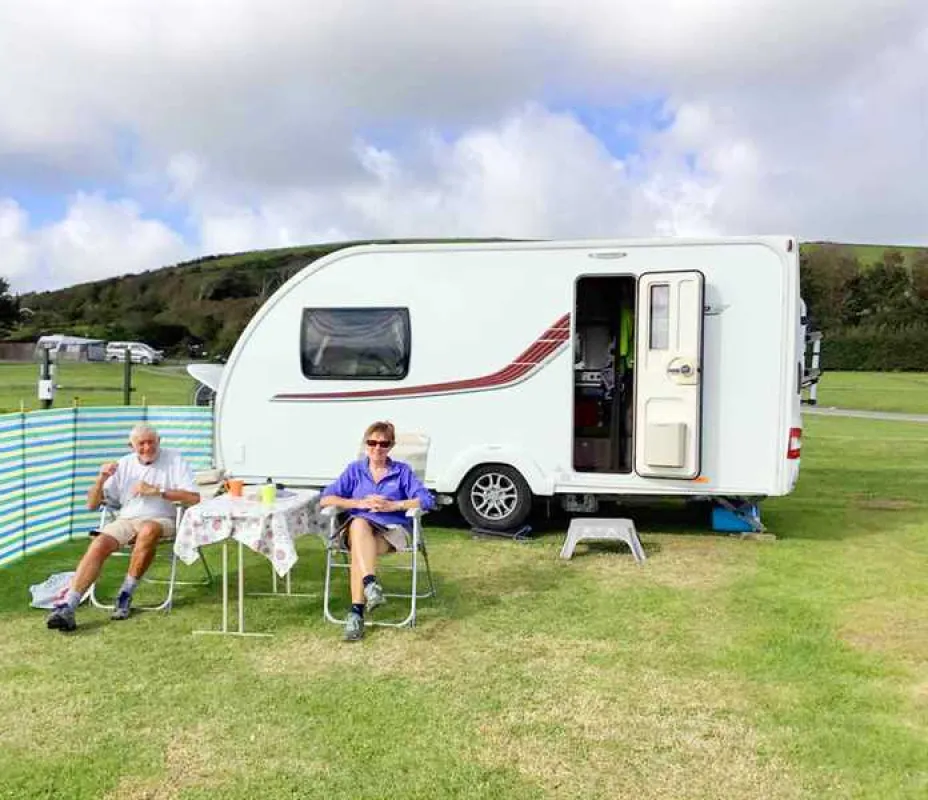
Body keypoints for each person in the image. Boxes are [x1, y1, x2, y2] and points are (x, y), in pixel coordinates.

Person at [45, 424, 201, 632]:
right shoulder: (123, 464)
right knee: (99, 542)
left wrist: (158, 491)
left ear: (159, 441)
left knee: (148, 530)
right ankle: (69, 606)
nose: (147, 447)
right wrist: (100, 479)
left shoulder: (175, 460)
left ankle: (125, 594)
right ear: (131, 446)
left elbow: (194, 498)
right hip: (127, 519)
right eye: (141, 444)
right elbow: (92, 504)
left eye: (151, 442)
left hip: (163, 518)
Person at [319, 421, 434, 642]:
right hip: (361, 530)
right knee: (359, 524)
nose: (377, 448)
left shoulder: (402, 471)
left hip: (392, 531)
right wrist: (358, 503)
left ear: (391, 446)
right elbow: (326, 498)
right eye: (372, 442)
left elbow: (427, 500)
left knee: (357, 548)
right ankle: (370, 585)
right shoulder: (355, 470)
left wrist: (395, 505)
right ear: (365, 444)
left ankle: (357, 613)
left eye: (383, 444)